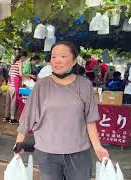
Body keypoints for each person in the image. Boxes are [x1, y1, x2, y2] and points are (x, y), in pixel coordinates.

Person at [14, 41, 109, 180]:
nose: (57, 61)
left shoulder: (84, 85)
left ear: (74, 60)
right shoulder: (42, 85)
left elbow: (90, 119)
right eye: (53, 57)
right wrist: (18, 144)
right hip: (47, 152)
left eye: (63, 56)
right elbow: (27, 117)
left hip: (79, 152)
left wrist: (97, 147)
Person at [3, 51, 27, 124]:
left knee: (8, 101)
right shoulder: (20, 63)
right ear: (23, 57)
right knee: (14, 101)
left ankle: (6, 117)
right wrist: (26, 78)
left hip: (10, 84)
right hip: (14, 85)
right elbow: (20, 74)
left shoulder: (14, 63)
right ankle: (12, 118)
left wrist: (27, 75)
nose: (25, 60)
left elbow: (10, 73)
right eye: (25, 58)